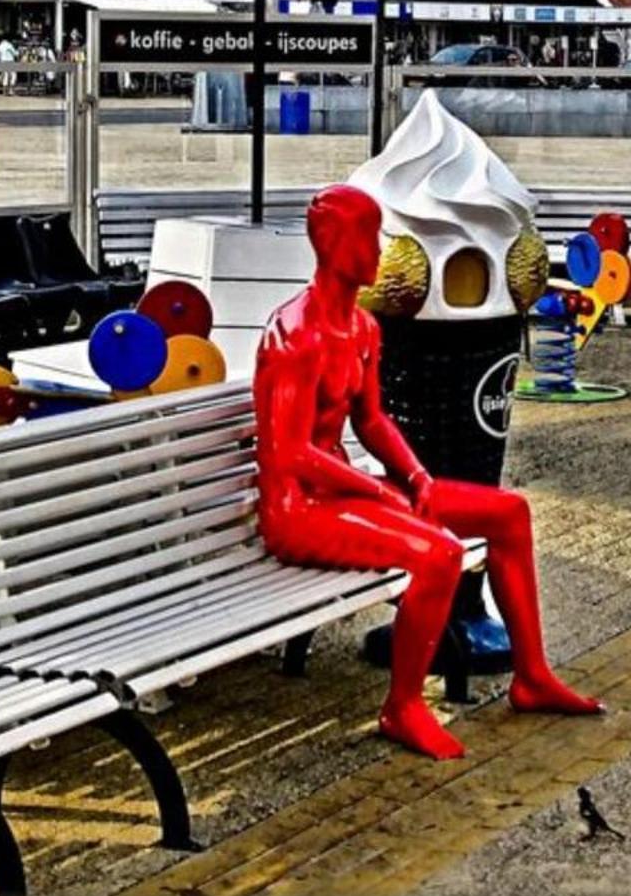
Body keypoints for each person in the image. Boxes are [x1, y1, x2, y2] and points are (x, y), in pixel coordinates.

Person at [253, 184, 602, 760]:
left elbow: (369, 418)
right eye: (369, 237)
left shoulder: (362, 328)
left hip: (348, 493)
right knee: (438, 553)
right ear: (335, 245)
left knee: (508, 514)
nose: (380, 250)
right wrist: (376, 491)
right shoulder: (297, 332)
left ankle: (533, 676)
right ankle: (403, 706)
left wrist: (414, 477)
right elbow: (288, 454)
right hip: (299, 510)